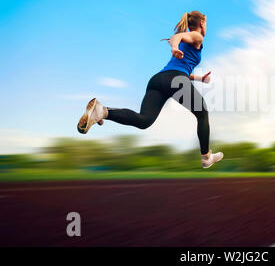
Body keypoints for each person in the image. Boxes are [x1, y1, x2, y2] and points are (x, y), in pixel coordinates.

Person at [77, 11, 223, 168]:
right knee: (202, 113)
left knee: (144, 120)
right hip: (175, 79)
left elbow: (181, 67)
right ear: (202, 23)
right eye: (206, 24)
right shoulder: (197, 36)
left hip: (158, 80)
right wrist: (174, 47)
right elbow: (177, 37)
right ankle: (206, 156)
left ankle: (103, 111)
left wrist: (199, 78)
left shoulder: (189, 42)